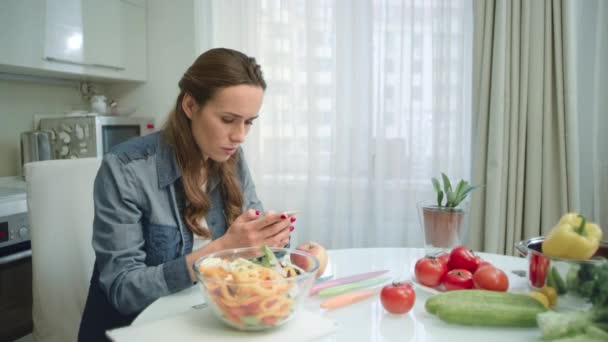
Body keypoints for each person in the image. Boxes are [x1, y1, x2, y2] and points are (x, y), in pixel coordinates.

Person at [78, 48, 295, 341]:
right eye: (228, 119)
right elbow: (123, 291)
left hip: (201, 321)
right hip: (138, 330)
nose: (240, 135)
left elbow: (250, 253)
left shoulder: (232, 159)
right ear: (190, 106)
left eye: (249, 122)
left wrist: (271, 239)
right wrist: (221, 249)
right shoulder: (125, 169)